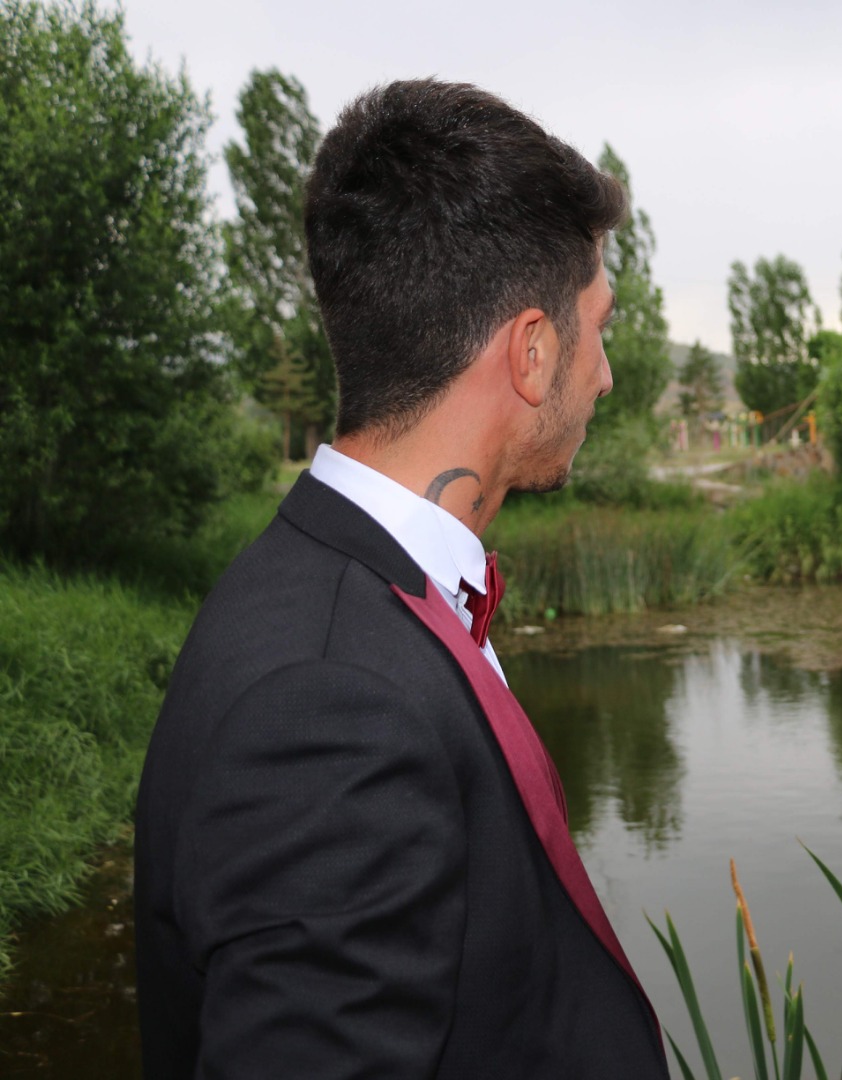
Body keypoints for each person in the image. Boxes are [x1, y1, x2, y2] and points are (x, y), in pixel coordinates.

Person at [133, 79, 670, 1078]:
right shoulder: (331, 704)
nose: (605, 373)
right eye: (601, 325)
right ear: (533, 350)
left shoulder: (338, 588)